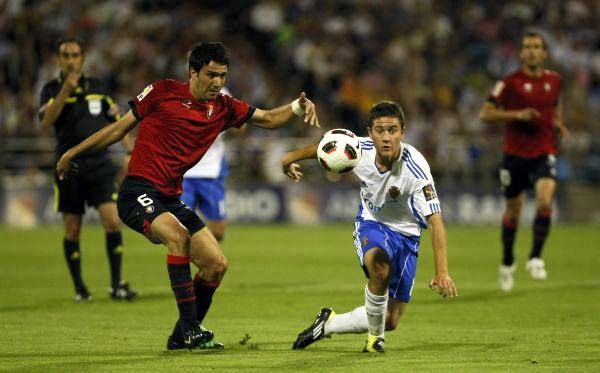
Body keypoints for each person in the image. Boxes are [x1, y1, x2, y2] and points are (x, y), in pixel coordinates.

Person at [56, 42, 319, 350]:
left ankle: (181, 335)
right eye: (211, 75)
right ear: (193, 72)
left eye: (222, 75)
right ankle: (192, 328)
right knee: (178, 237)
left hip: (169, 197)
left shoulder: (223, 106)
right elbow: (118, 130)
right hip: (137, 190)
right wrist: (72, 152)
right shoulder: (161, 91)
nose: (218, 82)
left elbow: (269, 119)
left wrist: (298, 106)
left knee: (215, 264)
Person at [282, 101, 457, 353]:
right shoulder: (358, 149)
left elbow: (436, 221)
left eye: (393, 130)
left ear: (403, 132)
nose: (386, 137)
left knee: (391, 320)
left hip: (407, 236)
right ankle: (375, 340)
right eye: (380, 130)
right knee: (381, 268)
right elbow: (323, 147)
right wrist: (289, 158)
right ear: (369, 132)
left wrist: (442, 272)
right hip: (371, 223)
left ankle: (328, 325)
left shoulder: (416, 169)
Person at [39, 37, 137, 302]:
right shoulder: (50, 89)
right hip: (68, 166)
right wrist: (65, 91)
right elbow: (46, 122)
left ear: (82, 58)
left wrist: (129, 152)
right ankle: (80, 289)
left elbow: (116, 120)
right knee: (72, 229)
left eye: (75, 55)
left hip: (100, 164)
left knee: (113, 221)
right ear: (59, 59)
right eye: (65, 55)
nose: (70, 60)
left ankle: (116, 284)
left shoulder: (98, 87)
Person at [479, 30, 569, 292]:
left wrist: (558, 123)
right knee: (514, 211)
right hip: (515, 155)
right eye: (527, 46)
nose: (531, 50)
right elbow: (486, 113)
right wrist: (518, 115)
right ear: (521, 53)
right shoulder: (509, 83)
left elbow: (556, 104)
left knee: (544, 202)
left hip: (544, 150)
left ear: (544, 53)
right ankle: (507, 261)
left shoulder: (555, 80)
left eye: (536, 46)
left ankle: (536, 257)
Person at [181, 87, 238, 242]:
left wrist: (236, 125)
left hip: (212, 171)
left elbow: (240, 123)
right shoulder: (182, 93)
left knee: (219, 230)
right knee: (180, 226)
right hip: (185, 172)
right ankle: (186, 262)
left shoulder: (224, 94)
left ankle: (204, 256)